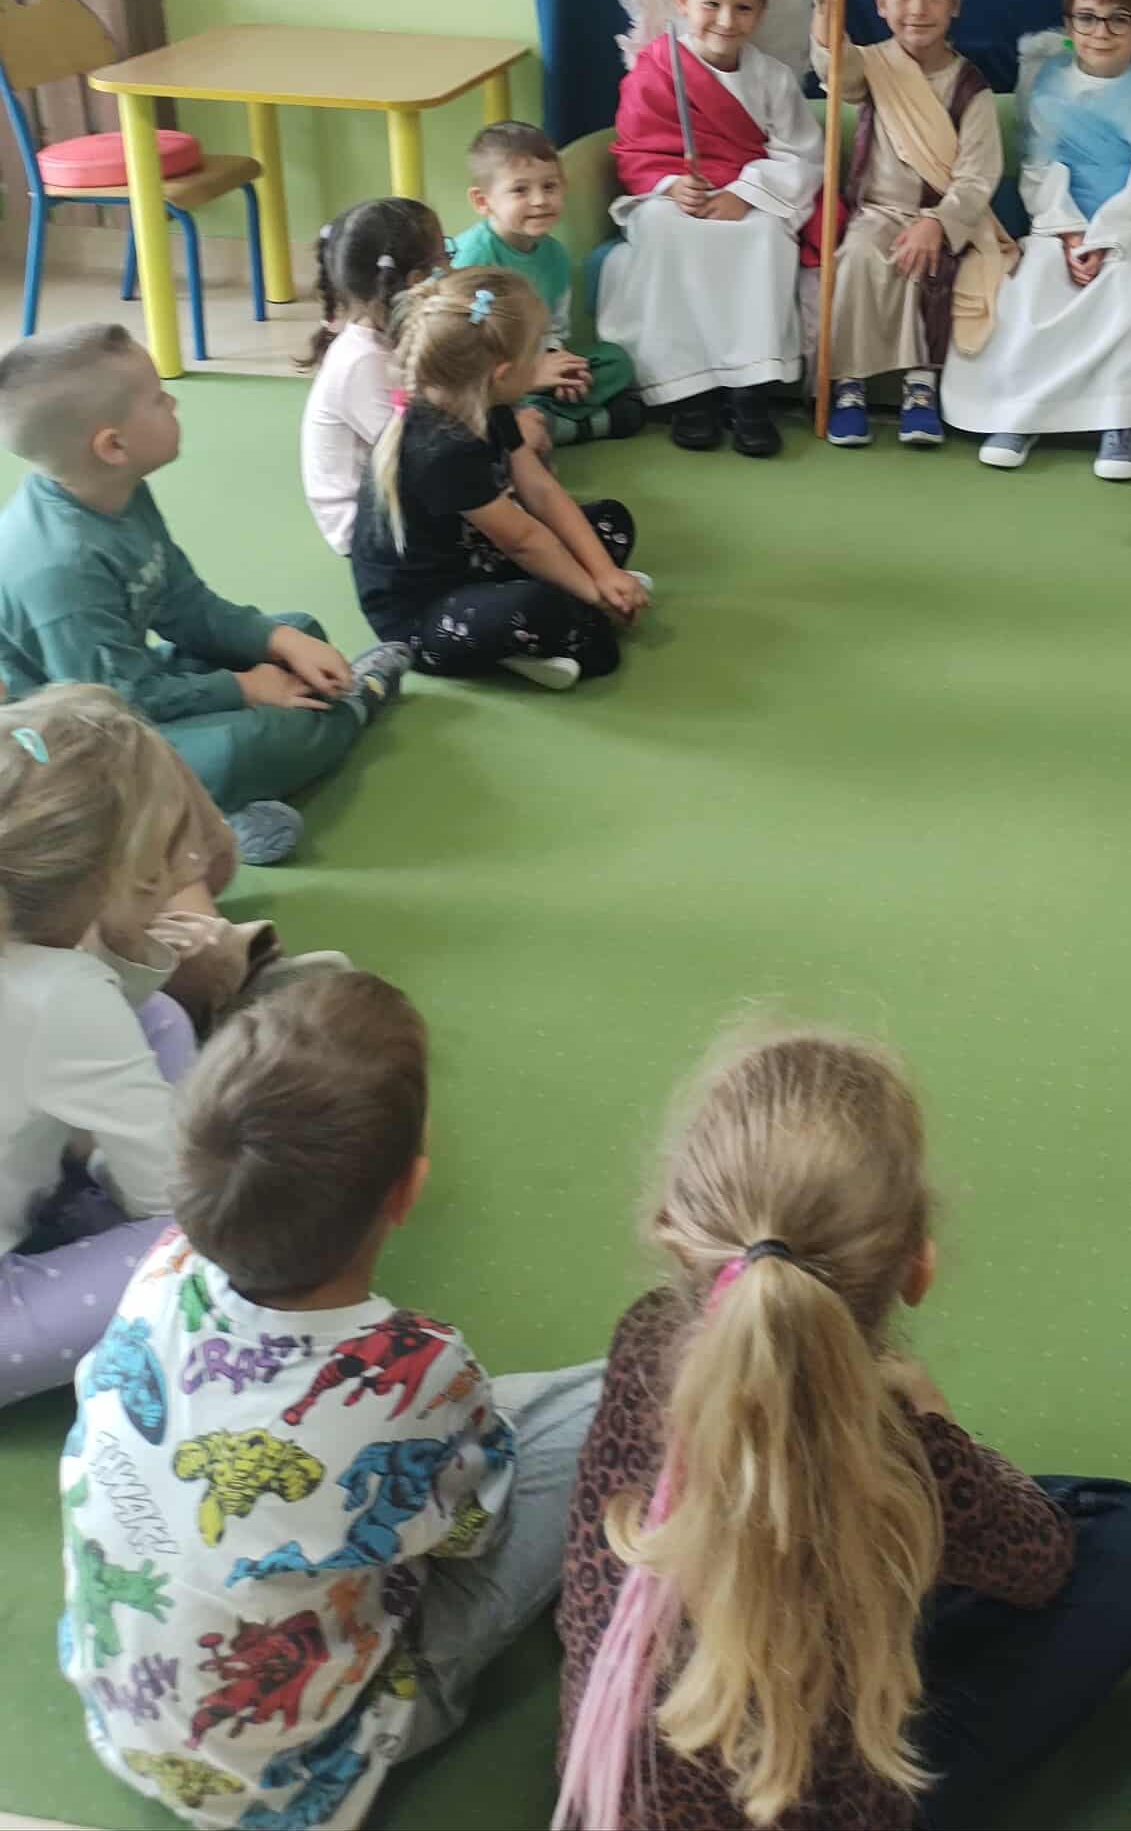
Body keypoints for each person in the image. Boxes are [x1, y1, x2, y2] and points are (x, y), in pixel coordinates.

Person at [553, 1026, 1131, 1831]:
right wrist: (941, 1431)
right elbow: (1045, 1557)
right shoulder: (914, 1460)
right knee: (1126, 1537)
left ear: (677, 1231)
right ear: (919, 1267)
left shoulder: (642, 1344)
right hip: (828, 1805)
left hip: (611, 1793)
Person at [59, 971, 603, 1830]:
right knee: (600, 1405)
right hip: (312, 1764)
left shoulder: (161, 1268)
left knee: (435, 1435)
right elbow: (477, 1526)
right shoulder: (417, 1365)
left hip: (126, 1721)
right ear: (407, 1189)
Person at [0, 325, 410, 863]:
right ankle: (347, 711)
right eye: (157, 399)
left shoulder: (118, 492)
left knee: (300, 632)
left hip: (131, 681)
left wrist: (277, 640)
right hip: (79, 748)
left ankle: (202, 807)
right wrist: (244, 688)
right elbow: (116, 709)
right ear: (113, 445)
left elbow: (186, 605)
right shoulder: (57, 567)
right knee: (242, 747)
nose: (173, 402)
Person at [0, 686, 194, 1406]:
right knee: (206, 1237)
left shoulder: (52, 983)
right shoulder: (61, 993)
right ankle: (88, 1178)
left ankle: (83, 1172)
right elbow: (171, 1194)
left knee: (158, 1015)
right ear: (113, 878)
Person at [942, 0, 1131, 481]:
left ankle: (1116, 420)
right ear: (1068, 25)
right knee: (1030, 282)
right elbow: (1040, 167)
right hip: (1062, 220)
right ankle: (1019, 414)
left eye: (1119, 20)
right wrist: (1071, 232)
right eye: (1087, 18)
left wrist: (1105, 238)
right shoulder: (1050, 81)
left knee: (1127, 287)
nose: (1101, 32)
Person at [352, 269, 649, 692]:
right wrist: (596, 593)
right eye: (537, 353)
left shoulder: (488, 405)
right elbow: (523, 540)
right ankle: (525, 637)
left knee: (611, 522)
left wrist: (602, 572)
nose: (543, 361)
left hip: (476, 559)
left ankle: (542, 617)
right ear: (503, 373)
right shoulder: (440, 450)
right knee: (594, 645)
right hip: (422, 613)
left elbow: (541, 492)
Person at [599, 0, 826, 460]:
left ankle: (750, 392)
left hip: (750, 197)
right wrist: (672, 186)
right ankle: (688, 394)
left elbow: (802, 154)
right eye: (712, 5)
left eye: (742, 8)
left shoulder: (773, 79)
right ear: (682, 0)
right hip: (677, 198)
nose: (726, 21)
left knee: (765, 237)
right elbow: (634, 150)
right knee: (662, 229)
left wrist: (746, 194)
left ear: (761, 10)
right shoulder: (657, 69)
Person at [810, 0, 1008, 450]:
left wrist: (938, 223)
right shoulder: (874, 65)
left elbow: (978, 174)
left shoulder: (971, 86)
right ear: (879, 2)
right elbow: (832, 64)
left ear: (955, 4)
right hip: (876, 212)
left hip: (941, 218)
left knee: (929, 265)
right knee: (857, 256)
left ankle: (921, 386)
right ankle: (848, 385)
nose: (917, 9)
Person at [450, 122, 645, 447]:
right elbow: (461, 347)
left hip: (532, 361)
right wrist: (527, 376)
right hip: (484, 373)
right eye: (520, 190)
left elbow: (553, 325)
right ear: (483, 201)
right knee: (481, 408)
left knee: (616, 362)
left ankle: (542, 421)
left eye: (550, 186)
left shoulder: (555, 255)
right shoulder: (473, 258)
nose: (540, 200)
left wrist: (557, 361)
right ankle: (578, 424)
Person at [298, 197, 448, 553]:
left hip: (395, 489)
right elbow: (419, 456)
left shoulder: (388, 335)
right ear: (417, 280)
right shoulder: (362, 362)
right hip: (364, 526)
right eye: (445, 258)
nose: (452, 268)